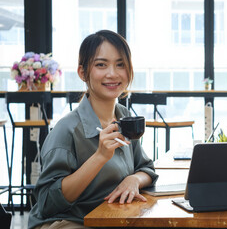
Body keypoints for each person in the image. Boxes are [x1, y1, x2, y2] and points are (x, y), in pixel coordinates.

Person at [28, 30, 158, 229]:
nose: (112, 73)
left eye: (120, 64)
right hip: (68, 222)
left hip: (112, 218)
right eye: (101, 65)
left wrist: (133, 180)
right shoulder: (67, 130)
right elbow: (46, 202)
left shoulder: (123, 116)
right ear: (83, 72)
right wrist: (99, 157)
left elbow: (147, 169)